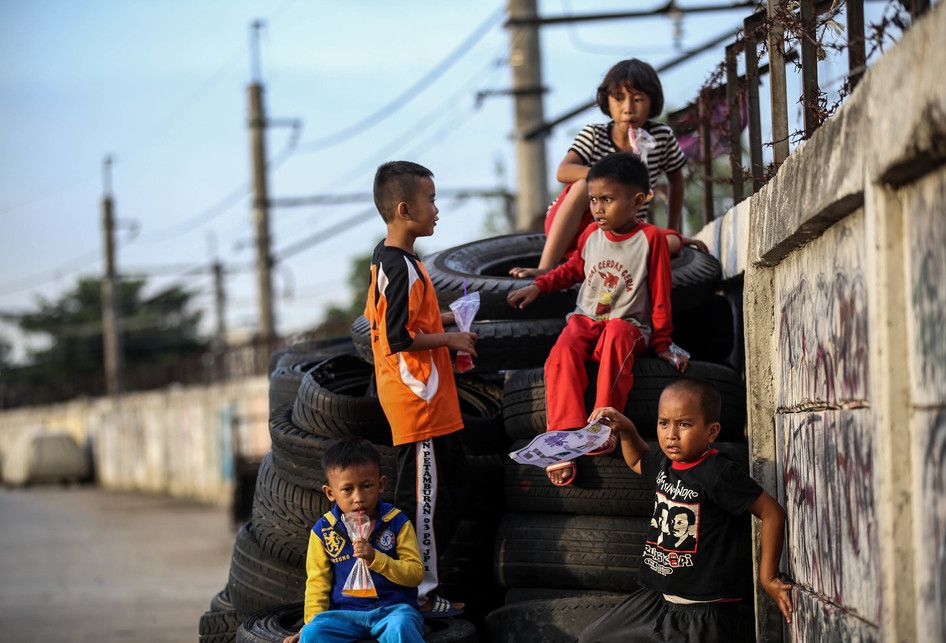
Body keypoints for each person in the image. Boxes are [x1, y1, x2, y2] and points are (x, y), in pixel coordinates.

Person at [507, 152, 687, 486]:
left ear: (636, 201)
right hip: (587, 321)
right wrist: (538, 285)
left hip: (628, 326)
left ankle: (603, 425)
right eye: (593, 199)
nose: (597, 208)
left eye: (607, 199)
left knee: (618, 332)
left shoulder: (651, 240)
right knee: (562, 350)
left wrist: (662, 343)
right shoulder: (590, 234)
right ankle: (562, 438)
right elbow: (572, 269)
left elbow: (661, 297)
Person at [578, 379, 793, 643]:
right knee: (593, 638)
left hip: (704, 609)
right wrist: (627, 428)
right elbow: (636, 460)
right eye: (663, 423)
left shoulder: (718, 472)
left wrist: (767, 577)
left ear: (711, 431)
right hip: (657, 598)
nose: (671, 434)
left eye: (684, 424)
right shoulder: (665, 463)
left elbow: (772, 513)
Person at [363, 160, 476, 616]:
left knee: (458, 492)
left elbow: (410, 322)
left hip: (436, 404)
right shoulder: (397, 266)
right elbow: (396, 338)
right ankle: (418, 597)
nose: (437, 208)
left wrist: (451, 320)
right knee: (422, 507)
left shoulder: (402, 263)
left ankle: (408, 585)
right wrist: (450, 339)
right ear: (406, 209)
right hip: (418, 406)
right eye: (431, 199)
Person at [509, 58, 706, 280]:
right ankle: (545, 267)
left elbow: (676, 181)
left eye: (638, 99)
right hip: (579, 227)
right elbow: (563, 171)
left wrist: (673, 230)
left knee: (670, 243)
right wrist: (605, 177)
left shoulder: (660, 137)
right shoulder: (595, 134)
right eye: (619, 99)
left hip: (623, 229)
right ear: (607, 102)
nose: (628, 109)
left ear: (653, 102)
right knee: (585, 185)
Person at [282, 438, 424, 643]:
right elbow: (317, 584)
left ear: (381, 484)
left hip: (392, 611)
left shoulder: (397, 523)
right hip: (345, 616)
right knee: (314, 634)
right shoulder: (323, 531)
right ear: (330, 493)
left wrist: (376, 558)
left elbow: (415, 574)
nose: (358, 497)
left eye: (367, 486)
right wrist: (309, 624)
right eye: (347, 489)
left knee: (401, 626)